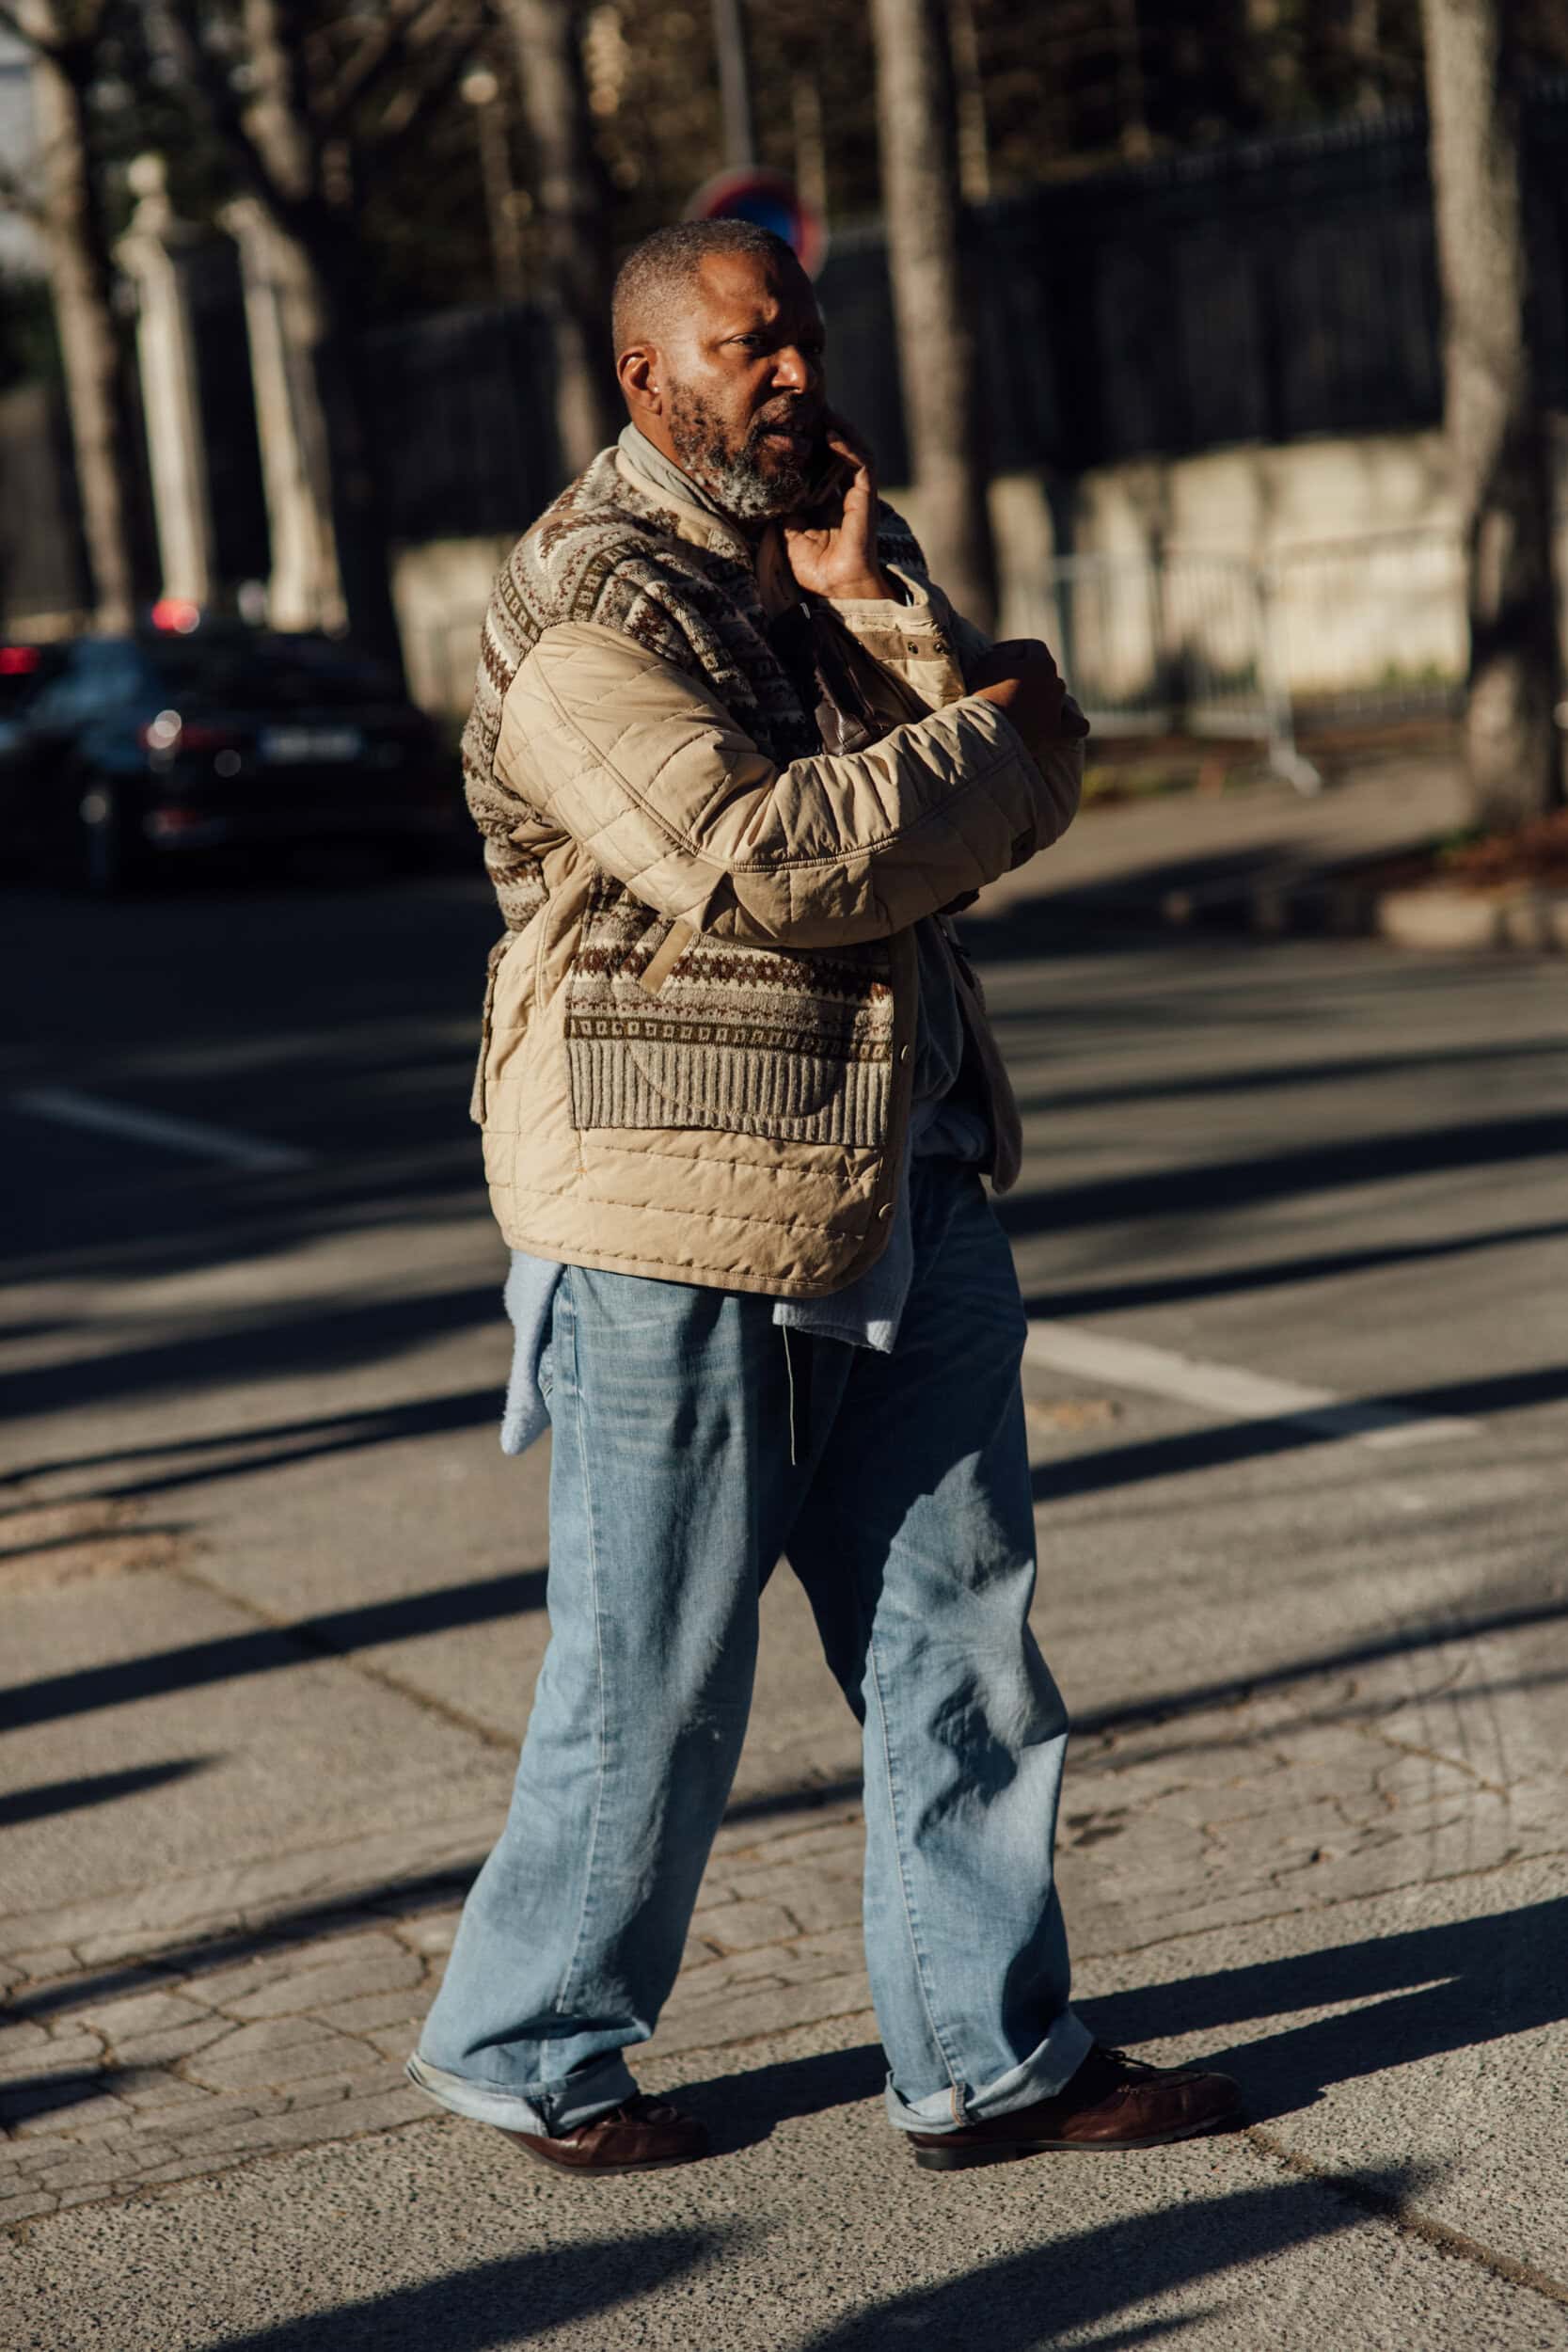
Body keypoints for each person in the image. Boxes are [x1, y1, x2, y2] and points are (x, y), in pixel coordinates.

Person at [406, 219, 1241, 2175]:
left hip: (903, 1169)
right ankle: (527, 2030)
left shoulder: (820, 557)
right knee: (663, 1668)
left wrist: (886, 619)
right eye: (746, 343)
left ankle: (989, 2052)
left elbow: (984, 800)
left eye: (799, 335)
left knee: (964, 1636)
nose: (791, 371)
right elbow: (779, 857)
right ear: (645, 376)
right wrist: (1009, 730)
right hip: (669, 1208)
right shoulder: (576, 603)